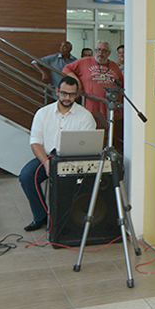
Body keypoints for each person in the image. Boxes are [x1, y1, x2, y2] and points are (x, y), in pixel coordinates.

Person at [19, 75, 97, 232]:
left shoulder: (85, 116)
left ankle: (69, 218)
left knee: (71, 184)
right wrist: (46, 163)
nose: (67, 98)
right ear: (57, 92)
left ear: (77, 94)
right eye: (64, 93)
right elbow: (35, 142)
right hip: (47, 157)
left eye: (71, 94)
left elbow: (88, 146)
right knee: (26, 176)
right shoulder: (43, 113)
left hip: (73, 160)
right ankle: (42, 216)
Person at [64, 40, 124, 121]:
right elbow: (66, 69)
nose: (101, 53)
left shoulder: (114, 66)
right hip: (91, 109)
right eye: (98, 50)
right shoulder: (84, 61)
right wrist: (78, 83)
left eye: (104, 51)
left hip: (111, 109)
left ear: (109, 53)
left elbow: (122, 85)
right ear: (95, 51)